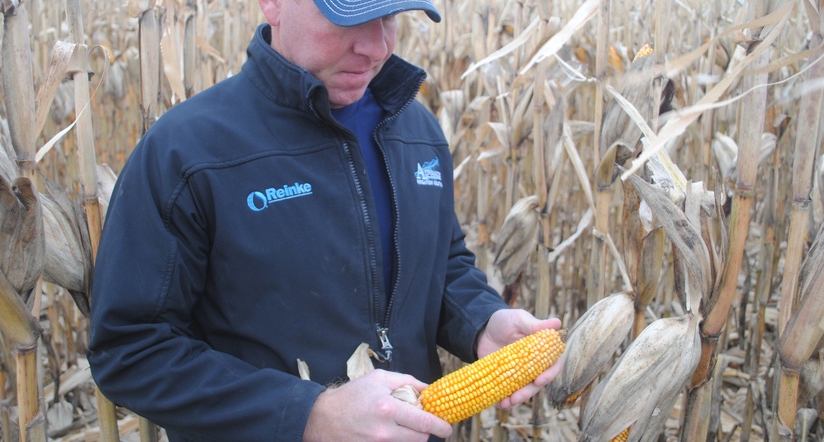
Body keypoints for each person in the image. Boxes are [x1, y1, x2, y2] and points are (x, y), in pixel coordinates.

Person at [86, 0, 562, 440]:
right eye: (350, 16)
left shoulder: (416, 131)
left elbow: (441, 263)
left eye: (390, 17)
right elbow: (131, 350)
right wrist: (310, 414)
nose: (376, 46)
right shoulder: (189, 153)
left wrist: (482, 321)